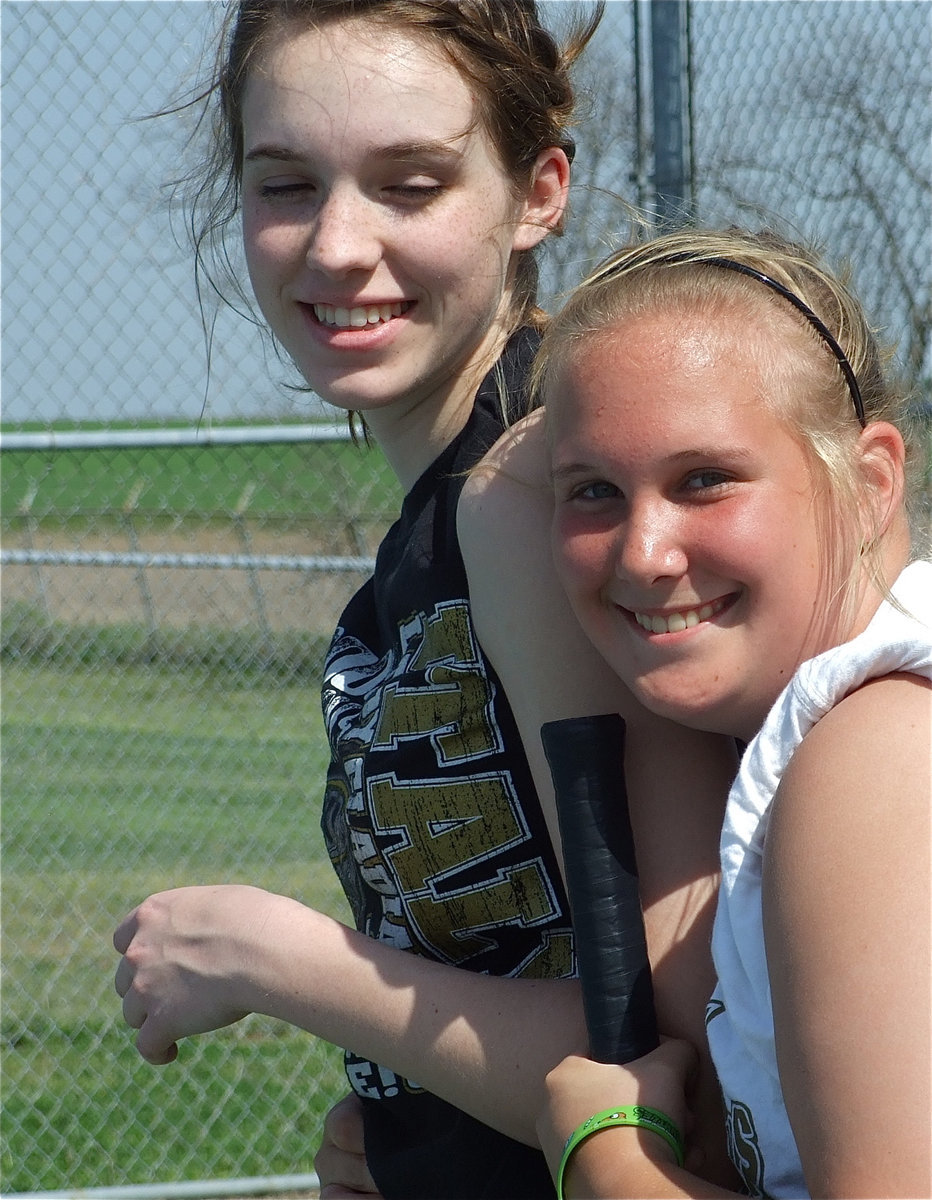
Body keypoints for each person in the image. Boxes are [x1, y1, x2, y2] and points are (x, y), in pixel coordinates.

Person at [112, 4, 739, 1197]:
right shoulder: (454, 507)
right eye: (286, 185)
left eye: (410, 185)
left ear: (538, 193)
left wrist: (271, 958)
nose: (337, 246)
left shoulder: (526, 494)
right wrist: (408, 1125)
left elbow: (677, 1050)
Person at [527, 227, 931, 1199]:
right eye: (592, 491)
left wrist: (605, 1160)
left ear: (870, 482)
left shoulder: (876, 754)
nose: (642, 553)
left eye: (703, 479)